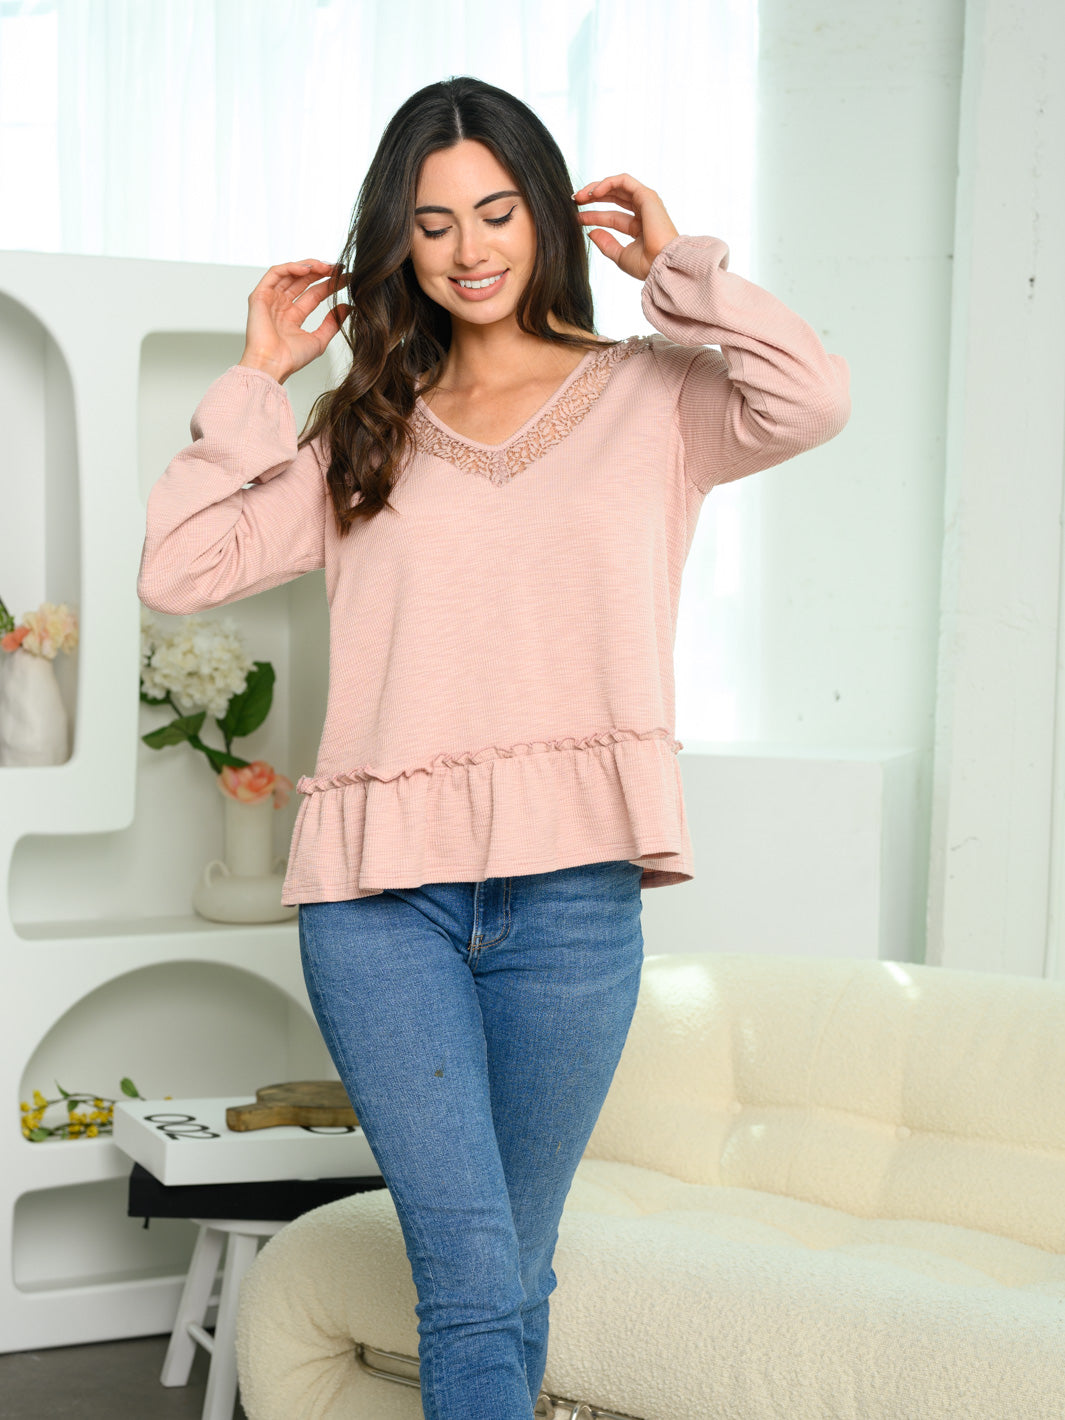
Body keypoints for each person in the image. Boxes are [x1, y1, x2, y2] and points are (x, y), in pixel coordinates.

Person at [137, 74, 850, 1420]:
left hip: (573, 899)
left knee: (511, 1274)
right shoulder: (364, 426)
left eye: (498, 211)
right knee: (472, 1283)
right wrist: (255, 381)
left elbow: (810, 398)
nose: (469, 249)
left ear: (546, 219)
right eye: (433, 223)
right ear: (396, 244)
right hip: (379, 906)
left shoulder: (655, 396)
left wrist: (684, 276)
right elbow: (180, 570)